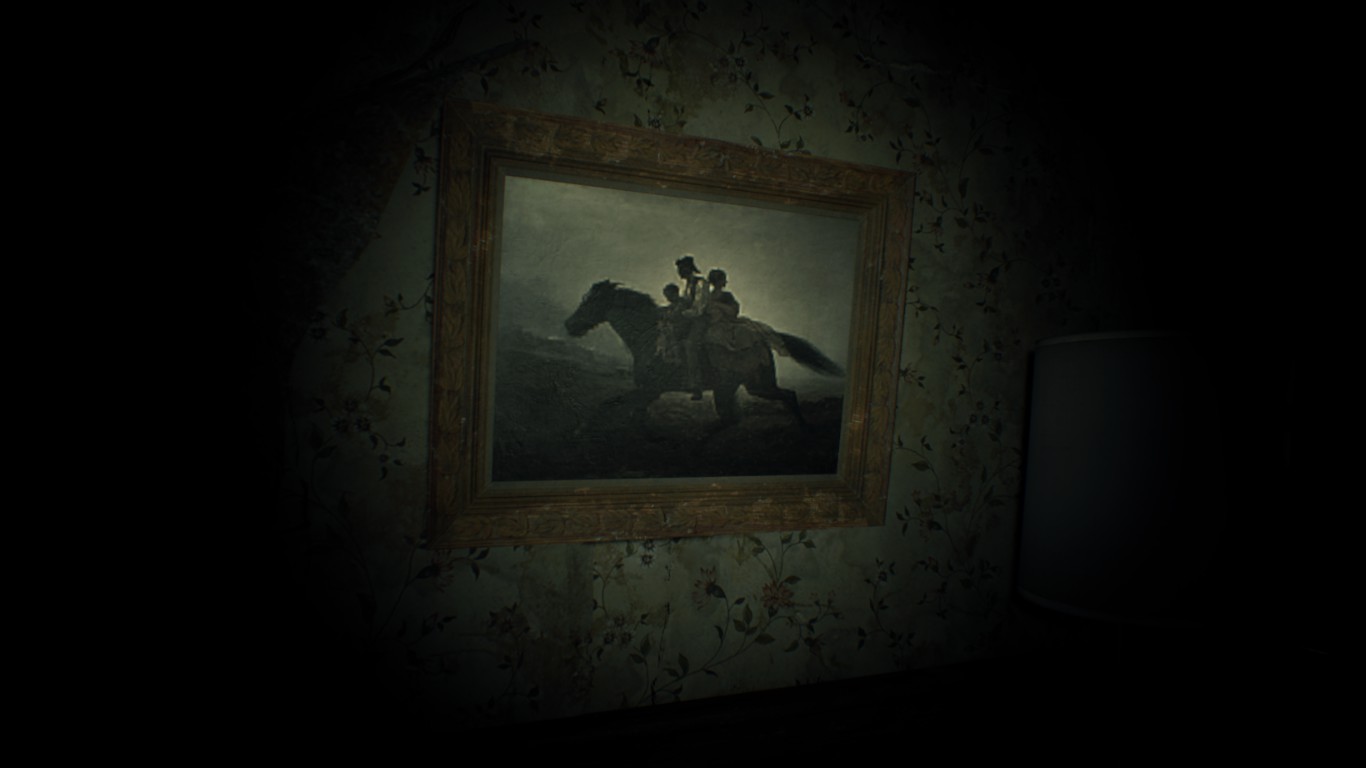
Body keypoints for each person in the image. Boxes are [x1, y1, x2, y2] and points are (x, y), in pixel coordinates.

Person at [675, 254, 710, 399]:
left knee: (691, 345)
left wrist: (682, 314)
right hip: (688, 319)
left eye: (681, 269)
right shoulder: (686, 286)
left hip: (700, 320)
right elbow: (684, 302)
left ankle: (696, 385)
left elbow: (699, 308)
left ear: (689, 269)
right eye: (678, 269)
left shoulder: (701, 283)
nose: (679, 272)